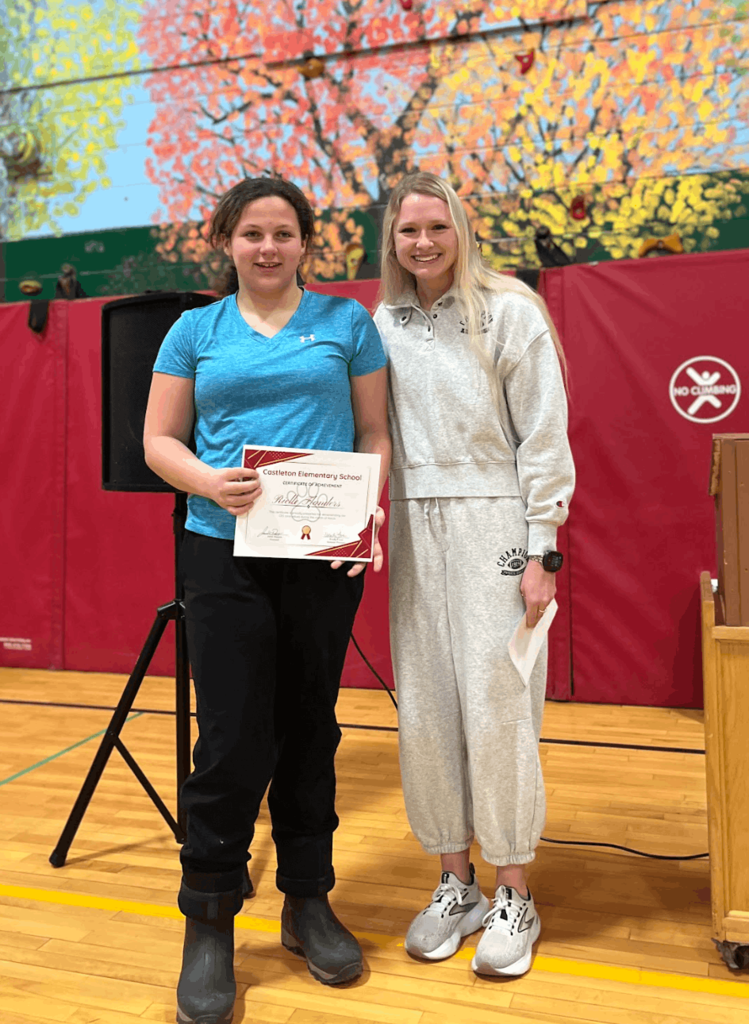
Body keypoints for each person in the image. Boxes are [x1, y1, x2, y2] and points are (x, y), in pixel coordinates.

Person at [143, 176, 390, 1023]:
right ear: (228, 242)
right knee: (231, 735)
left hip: (321, 557)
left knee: (310, 724)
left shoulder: (346, 324)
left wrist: (369, 509)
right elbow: (157, 441)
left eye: (283, 233)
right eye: (252, 233)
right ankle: (208, 921)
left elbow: (373, 433)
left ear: (304, 243)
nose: (268, 247)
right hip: (222, 550)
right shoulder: (193, 331)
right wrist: (211, 481)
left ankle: (307, 900)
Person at [373, 172, 574, 978]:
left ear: (459, 228)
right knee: (424, 710)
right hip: (415, 526)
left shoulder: (509, 312)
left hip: (495, 523)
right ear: (390, 242)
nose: (421, 242)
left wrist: (541, 550)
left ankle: (512, 891)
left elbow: (544, 437)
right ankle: (453, 880)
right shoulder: (379, 323)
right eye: (406, 231)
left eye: (434, 227)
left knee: (497, 712)